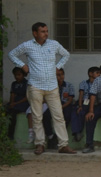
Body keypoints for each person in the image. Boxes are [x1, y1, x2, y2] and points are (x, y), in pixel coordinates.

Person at [7, 22, 76, 155]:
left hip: (52, 86)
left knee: (58, 116)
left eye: (46, 31)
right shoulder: (27, 45)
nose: (46, 33)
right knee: (37, 116)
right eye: (43, 31)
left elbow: (66, 54)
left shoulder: (53, 44)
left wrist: (58, 66)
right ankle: (40, 144)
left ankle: (63, 145)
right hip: (35, 86)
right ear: (35, 33)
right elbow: (12, 54)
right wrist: (22, 65)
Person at [72, 66, 100, 142]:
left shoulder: (99, 83)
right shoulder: (83, 83)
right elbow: (81, 94)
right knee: (77, 111)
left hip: (93, 103)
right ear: (90, 74)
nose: (99, 75)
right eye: (97, 73)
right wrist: (80, 105)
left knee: (82, 113)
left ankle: (78, 132)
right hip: (84, 101)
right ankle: (77, 132)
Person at [6, 67, 29, 142]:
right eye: (15, 75)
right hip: (15, 103)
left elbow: (27, 97)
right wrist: (11, 103)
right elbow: (12, 94)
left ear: (23, 75)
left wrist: (15, 103)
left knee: (13, 113)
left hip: (23, 103)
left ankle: (10, 135)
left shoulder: (27, 83)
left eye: (19, 75)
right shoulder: (14, 84)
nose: (17, 77)